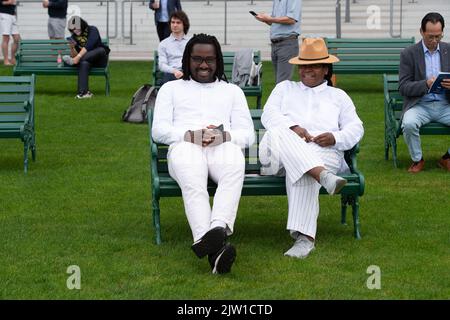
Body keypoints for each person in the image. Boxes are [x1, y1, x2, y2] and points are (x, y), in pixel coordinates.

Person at [152, 34, 255, 274]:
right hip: (185, 146)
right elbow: (159, 130)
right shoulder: (170, 89)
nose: (203, 65)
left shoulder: (232, 91)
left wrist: (225, 136)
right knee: (194, 182)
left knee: (234, 167)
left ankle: (215, 232)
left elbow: (248, 134)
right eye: (197, 59)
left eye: (209, 59)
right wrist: (189, 135)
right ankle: (211, 241)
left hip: (222, 145)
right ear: (187, 60)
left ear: (218, 61)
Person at [259, 37, 364, 259]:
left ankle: (304, 239)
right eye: (303, 65)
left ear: (326, 69)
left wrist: (335, 138)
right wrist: (293, 128)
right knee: (279, 131)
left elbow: (356, 128)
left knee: (305, 169)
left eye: (314, 65)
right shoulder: (284, 88)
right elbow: (268, 115)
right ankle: (322, 176)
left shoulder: (338, 97)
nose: (307, 70)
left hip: (323, 152)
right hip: (276, 156)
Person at [399, 12, 450, 173]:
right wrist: (426, 84)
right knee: (408, 123)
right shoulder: (409, 54)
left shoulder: (449, 50)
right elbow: (404, 87)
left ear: (442, 32)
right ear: (421, 32)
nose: (434, 41)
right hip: (420, 105)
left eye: (438, 36)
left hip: (445, 104)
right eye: (430, 37)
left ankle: (446, 158)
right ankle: (417, 159)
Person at [253, 0, 302, 84]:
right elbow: (274, 22)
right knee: (280, 83)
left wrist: (269, 18)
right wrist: (264, 19)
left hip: (287, 43)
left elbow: (291, 19)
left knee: (282, 84)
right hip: (275, 44)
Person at [64, 16, 110, 99]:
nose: (75, 30)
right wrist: (72, 47)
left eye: (76, 28)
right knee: (83, 63)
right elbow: (75, 55)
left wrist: (77, 58)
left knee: (100, 49)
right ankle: (84, 93)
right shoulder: (74, 37)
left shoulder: (92, 30)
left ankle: (73, 62)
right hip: (86, 60)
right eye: (72, 29)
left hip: (100, 59)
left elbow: (90, 45)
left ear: (81, 24)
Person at [157, 10, 190, 85]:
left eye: (178, 22)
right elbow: (162, 65)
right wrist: (174, 71)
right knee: (169, 79)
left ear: (184, 25)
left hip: (187, 73)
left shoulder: (190, 42)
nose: (175, 25)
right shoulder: (163, 44)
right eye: (173, 22)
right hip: (171, 74)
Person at [0, 0, 20, 66]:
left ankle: (12, 58)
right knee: (6, 38)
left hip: (12, 15)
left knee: (17, 38)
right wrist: (8, 2)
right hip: (4, 14)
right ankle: (6, 60)